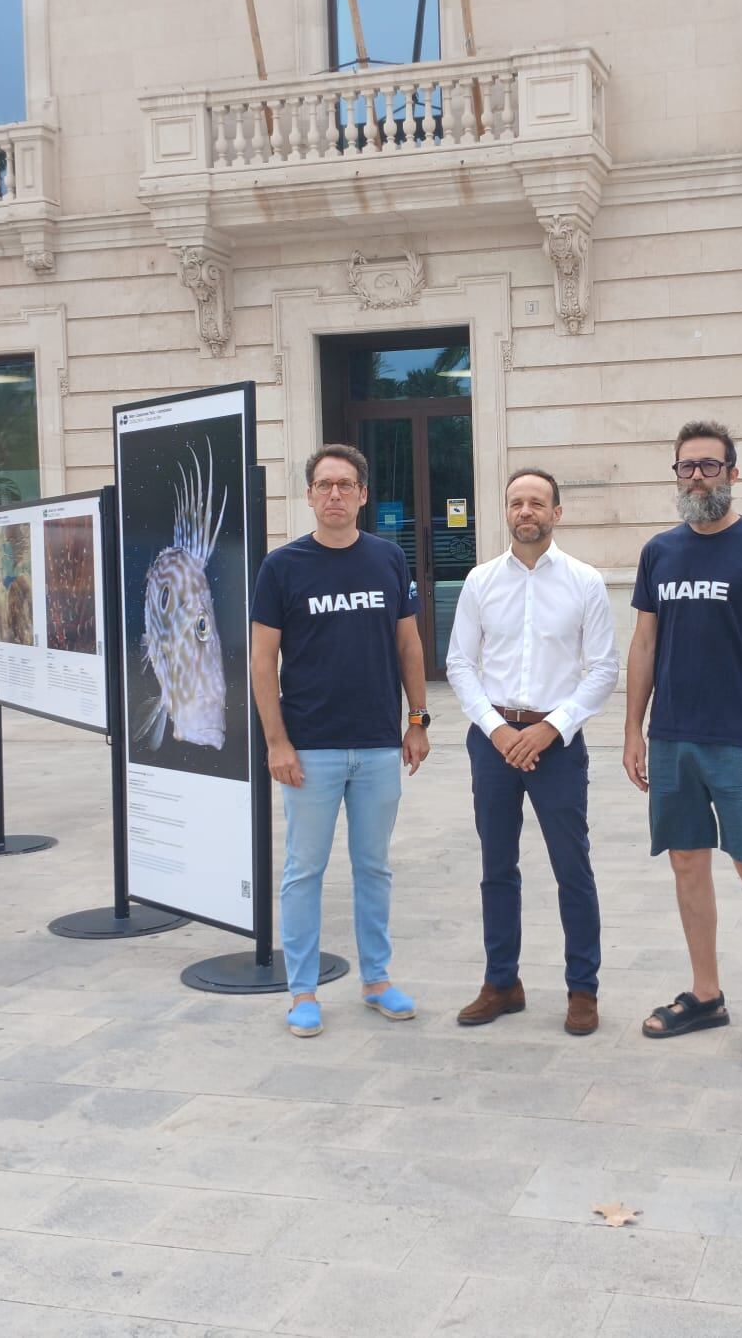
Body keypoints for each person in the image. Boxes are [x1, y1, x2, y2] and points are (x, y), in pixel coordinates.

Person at [623, 420, 742, 1070]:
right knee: (687, 864)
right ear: (676, 475)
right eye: (686, 467)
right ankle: (706, 994)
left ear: (733, 471)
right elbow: (644, 644)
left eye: (709, 465)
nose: (697, 476)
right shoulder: (660, 554)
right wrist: (632, 730)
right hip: (673, 739)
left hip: (739, 743)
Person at [252, 443, 431, 1038]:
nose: (334, 494)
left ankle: (377, 979)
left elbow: (409, 645)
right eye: (324, 484)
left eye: (345, 484)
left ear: (361, 495)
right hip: (311, 749)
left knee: (374, 867)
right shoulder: (282, 567)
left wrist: (417, 721)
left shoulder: (387, 559)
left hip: (378, 744)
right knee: (304, 870)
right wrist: (277, 742)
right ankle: (302, 990)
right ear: (309, 495)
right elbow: (261, 662)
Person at [445, 468, 620, 1035]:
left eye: (538, 503)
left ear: (556, 513)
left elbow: (602, 669)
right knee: (497, 867)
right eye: (517, 502)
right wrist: (498, 731)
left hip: (557, 743)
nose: (527, 511)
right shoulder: (479, 582)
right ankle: (502, 982)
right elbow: (460, 665)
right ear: (506, 511)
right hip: (493, 741)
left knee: (573, 868)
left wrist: (552, 729)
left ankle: (582, 989)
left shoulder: (584, 582)